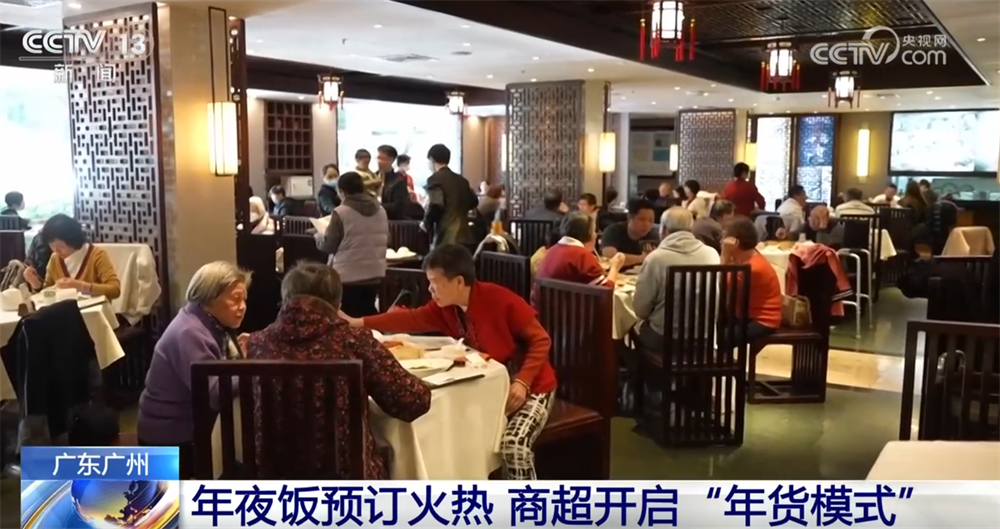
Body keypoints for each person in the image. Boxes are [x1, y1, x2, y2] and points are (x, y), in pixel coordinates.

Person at [339, 244, 556, 480]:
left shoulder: (500, 300)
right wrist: (358, 322)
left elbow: (541, 340)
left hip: (533, 386)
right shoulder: (447, 308)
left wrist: (523, 381)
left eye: (434, 282)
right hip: (493, 389)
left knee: (513, 446)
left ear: (459, 282)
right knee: (462, 435)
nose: (429, 289)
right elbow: (411, 318)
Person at [246, 262, 431, 479]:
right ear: (338, 304)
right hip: (348, 480)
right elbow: (412, 401)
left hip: (274, 483)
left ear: (285, 298)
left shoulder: (258, 343)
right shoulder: (353, 340)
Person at [137, 261, 251, 478]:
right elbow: (215, 393)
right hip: (169, 436)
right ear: (209, 297)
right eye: (236, 299)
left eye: (245, 299)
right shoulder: (189, 332)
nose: (243, 306)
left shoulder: (207, 321)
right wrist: (251, 368)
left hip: (187, 426)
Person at [633, 207, 721, 350]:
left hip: (665, 339)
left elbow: (641, 310)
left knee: (630, 328)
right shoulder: (712, 254)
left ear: (663, 229)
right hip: (704, 338)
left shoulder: (656, 258)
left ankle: (640, 364)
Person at [316, 172, 388, 317]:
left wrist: (318, 237)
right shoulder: (381, 210)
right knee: (367, 313)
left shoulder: (341, 212)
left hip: (347, 275)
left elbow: (329, 245)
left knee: (348, 316)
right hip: (375, 272)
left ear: (342, 192)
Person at [23, 214, 121, 299]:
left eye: (61, 247)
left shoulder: (96, 255)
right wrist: (36, 284)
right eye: (52, 246)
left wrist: (82, 286)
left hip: (92, 312)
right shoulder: (55, 258)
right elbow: (49, 293)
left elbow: (115, 290)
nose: (56, 251)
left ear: (73, 241)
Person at [720, 217, 782, 342]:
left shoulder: (751, 268)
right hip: (746, 314)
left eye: (724, 237)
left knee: (717, 338)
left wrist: (725, 253)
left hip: (762, 321)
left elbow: (720, 284)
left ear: (735, 242)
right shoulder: (750, 258)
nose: (722, 241)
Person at [536, 212, 625, 298]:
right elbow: (606, 291)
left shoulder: (551, 251)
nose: (595, 235)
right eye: (594, 231)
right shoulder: (582, 256)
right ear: (589, 234)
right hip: (571, 307)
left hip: (544, 305)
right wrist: (615, 267)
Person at [423, 144, 479, 250]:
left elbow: (436, 204)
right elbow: (474, 201)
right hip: (465, 236)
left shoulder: (434, 179)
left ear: (432, 160)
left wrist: (426, 223)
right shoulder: (462, 180)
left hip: (446, 237)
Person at [600, 198, 657, 268]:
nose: (647, 224)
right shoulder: (613, 231)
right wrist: (643, 258)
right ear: (630, 218)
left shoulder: (654, 235)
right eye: (642, 219)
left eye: (651, 220)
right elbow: (610, 257)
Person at [377, 145, 410, 221]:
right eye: (378, 158)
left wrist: (376, 207)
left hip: (390, 221)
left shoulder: (398, 182)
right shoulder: (372, 178)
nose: (378, 162)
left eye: (382, 158)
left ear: (391, 160)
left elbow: (398, 206)